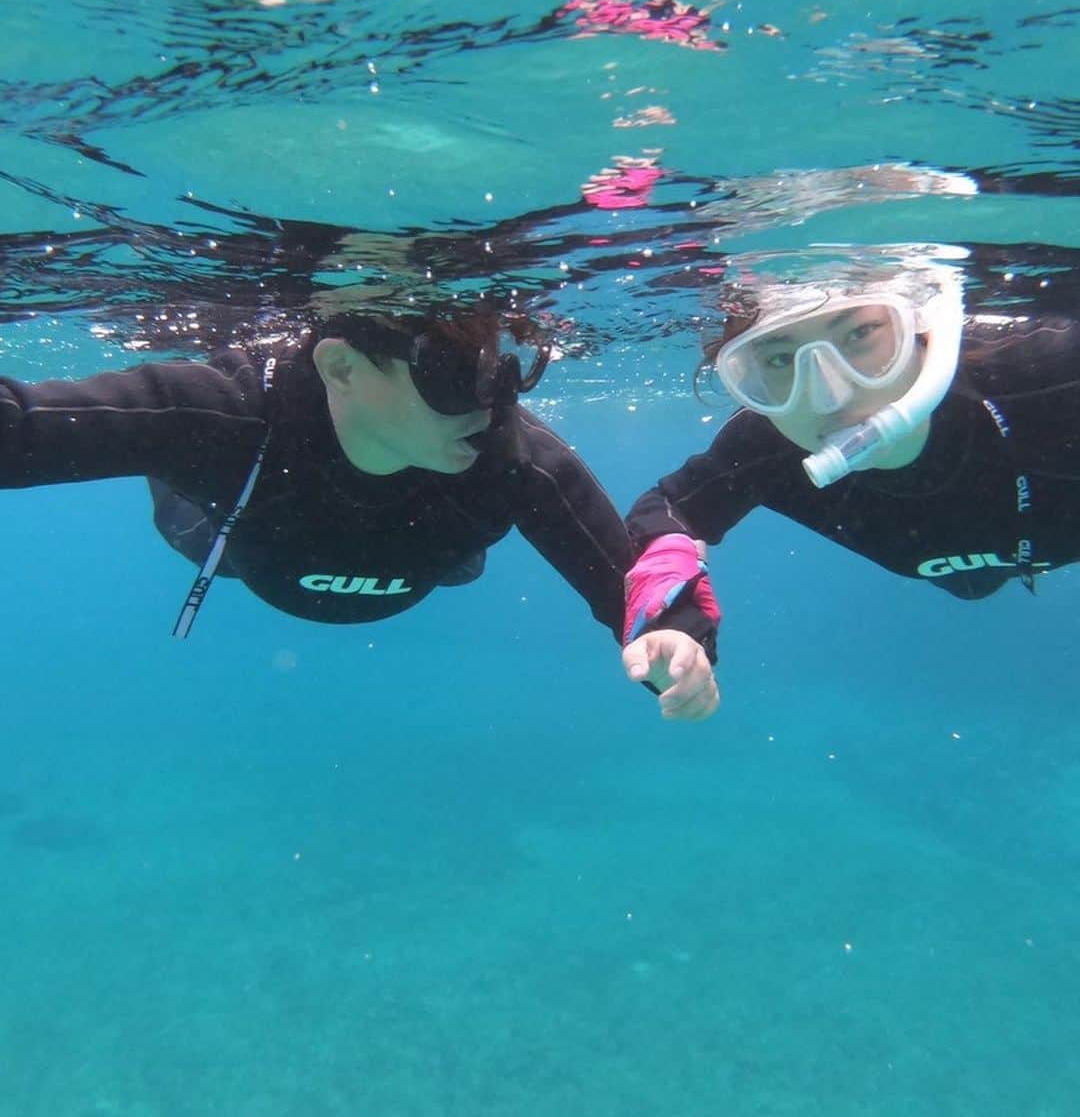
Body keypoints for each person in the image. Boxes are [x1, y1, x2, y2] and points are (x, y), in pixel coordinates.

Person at [0, 304, 716, 719]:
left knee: (466, 515)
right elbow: (20, 427)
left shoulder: (511, 459)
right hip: (234, 536)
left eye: (507, 370)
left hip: (425, 553)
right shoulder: (226, 411)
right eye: (453, 374)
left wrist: (681, 645)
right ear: (342, 366)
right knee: (184, 459)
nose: (494, 404)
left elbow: (632, 589)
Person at [622, 254, 1080, 698]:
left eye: (861, 333)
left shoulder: (1053, 373)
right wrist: (678, 627)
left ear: (920, 327)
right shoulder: (767, 446)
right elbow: (668, 509)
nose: (830, 395)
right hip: (970, 576)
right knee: (974, 587)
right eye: (780, 360)